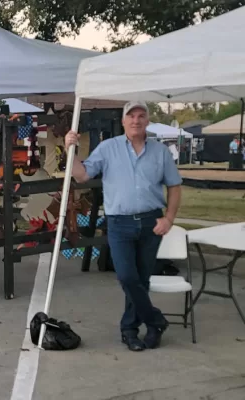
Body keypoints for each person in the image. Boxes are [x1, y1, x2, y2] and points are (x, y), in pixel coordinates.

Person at [65, 101, 182, 352]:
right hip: (119, 223)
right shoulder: (108, 148)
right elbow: (82, 175)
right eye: (131, 116)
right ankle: (155, 320)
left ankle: (131, 330)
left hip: (152, 222)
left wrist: (169, 218)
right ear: (123, 121)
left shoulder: (160, 152)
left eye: (141, 116)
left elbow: (174, 186)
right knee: (128, 277)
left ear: (147, 121)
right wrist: (70, 151)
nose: (136, 121)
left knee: (141, 279)